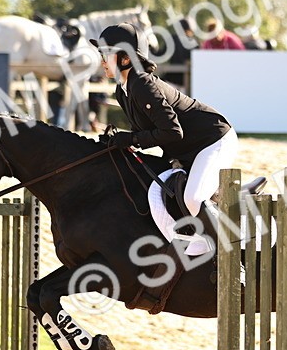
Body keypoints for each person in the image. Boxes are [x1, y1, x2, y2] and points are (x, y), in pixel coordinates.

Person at [90, 22, 238, 235]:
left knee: (193, 199)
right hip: (188, 148)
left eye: (106, 54)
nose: (102, 61)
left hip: (213, 140)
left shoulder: (143, 85)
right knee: (156, 195)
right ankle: (191, 249)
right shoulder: (123, 90)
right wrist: (120, 141)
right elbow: (144, 133)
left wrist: (131, 140)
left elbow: (172, 132)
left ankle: (234, 255)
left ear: (125, 58)